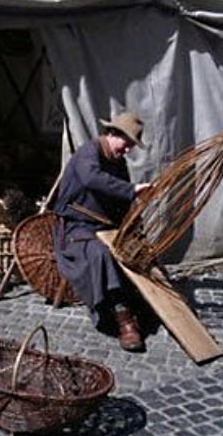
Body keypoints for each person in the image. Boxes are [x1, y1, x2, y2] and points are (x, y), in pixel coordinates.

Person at [52, 111, 152, 352]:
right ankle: (123, 319)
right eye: (125, 144)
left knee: (137, 249)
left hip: (105, 226)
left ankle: (147, 302)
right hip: (76, 228)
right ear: (111, 134)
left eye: (130, 146)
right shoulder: (89, 153)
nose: (127, 150)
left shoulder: (118, 162)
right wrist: (132, 189)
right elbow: (91, 179)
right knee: (100, 255)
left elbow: (123, 200)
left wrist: (133, 219)